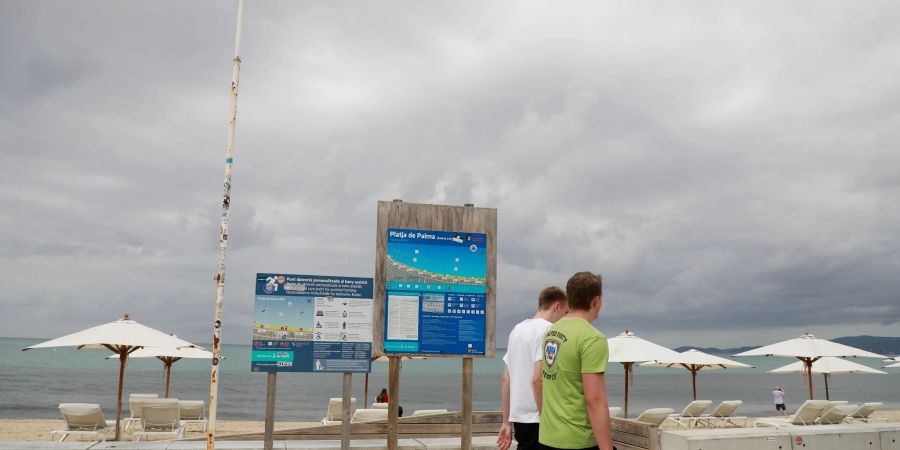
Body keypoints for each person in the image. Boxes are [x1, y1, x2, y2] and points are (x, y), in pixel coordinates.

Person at [539, 272, 614, 450]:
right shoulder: (592, 339)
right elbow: (594, 399)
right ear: (596, 300)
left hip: (547, 437)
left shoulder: (551, 332)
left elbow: (539, 379)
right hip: (577, 440)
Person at [497, 287, 569, 450]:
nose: (565, 318)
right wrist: (547, 417)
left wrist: (506, 422)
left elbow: (506, 379)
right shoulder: (549, 330)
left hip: (519, 419)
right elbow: (538, 380)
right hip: (539, 417)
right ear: (556, 307)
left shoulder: (517, 329)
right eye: (566, 312)